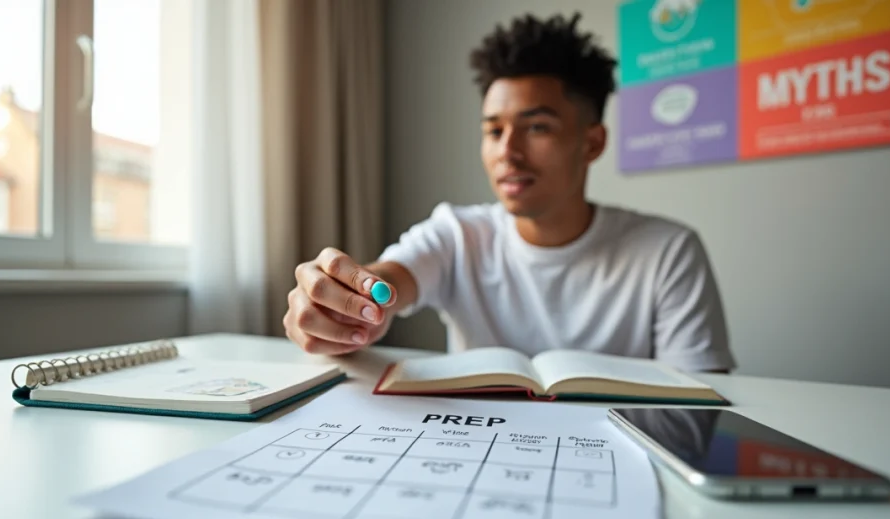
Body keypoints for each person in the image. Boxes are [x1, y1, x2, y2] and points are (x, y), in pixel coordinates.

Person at [283, 12, 735, 373]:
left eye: (537, 127)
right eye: (494, 130)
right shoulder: (458, 234)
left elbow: (699, 407)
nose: (508, 152)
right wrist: (348, 305)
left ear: (592, 142)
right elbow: (391, 279)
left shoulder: (668, 252)